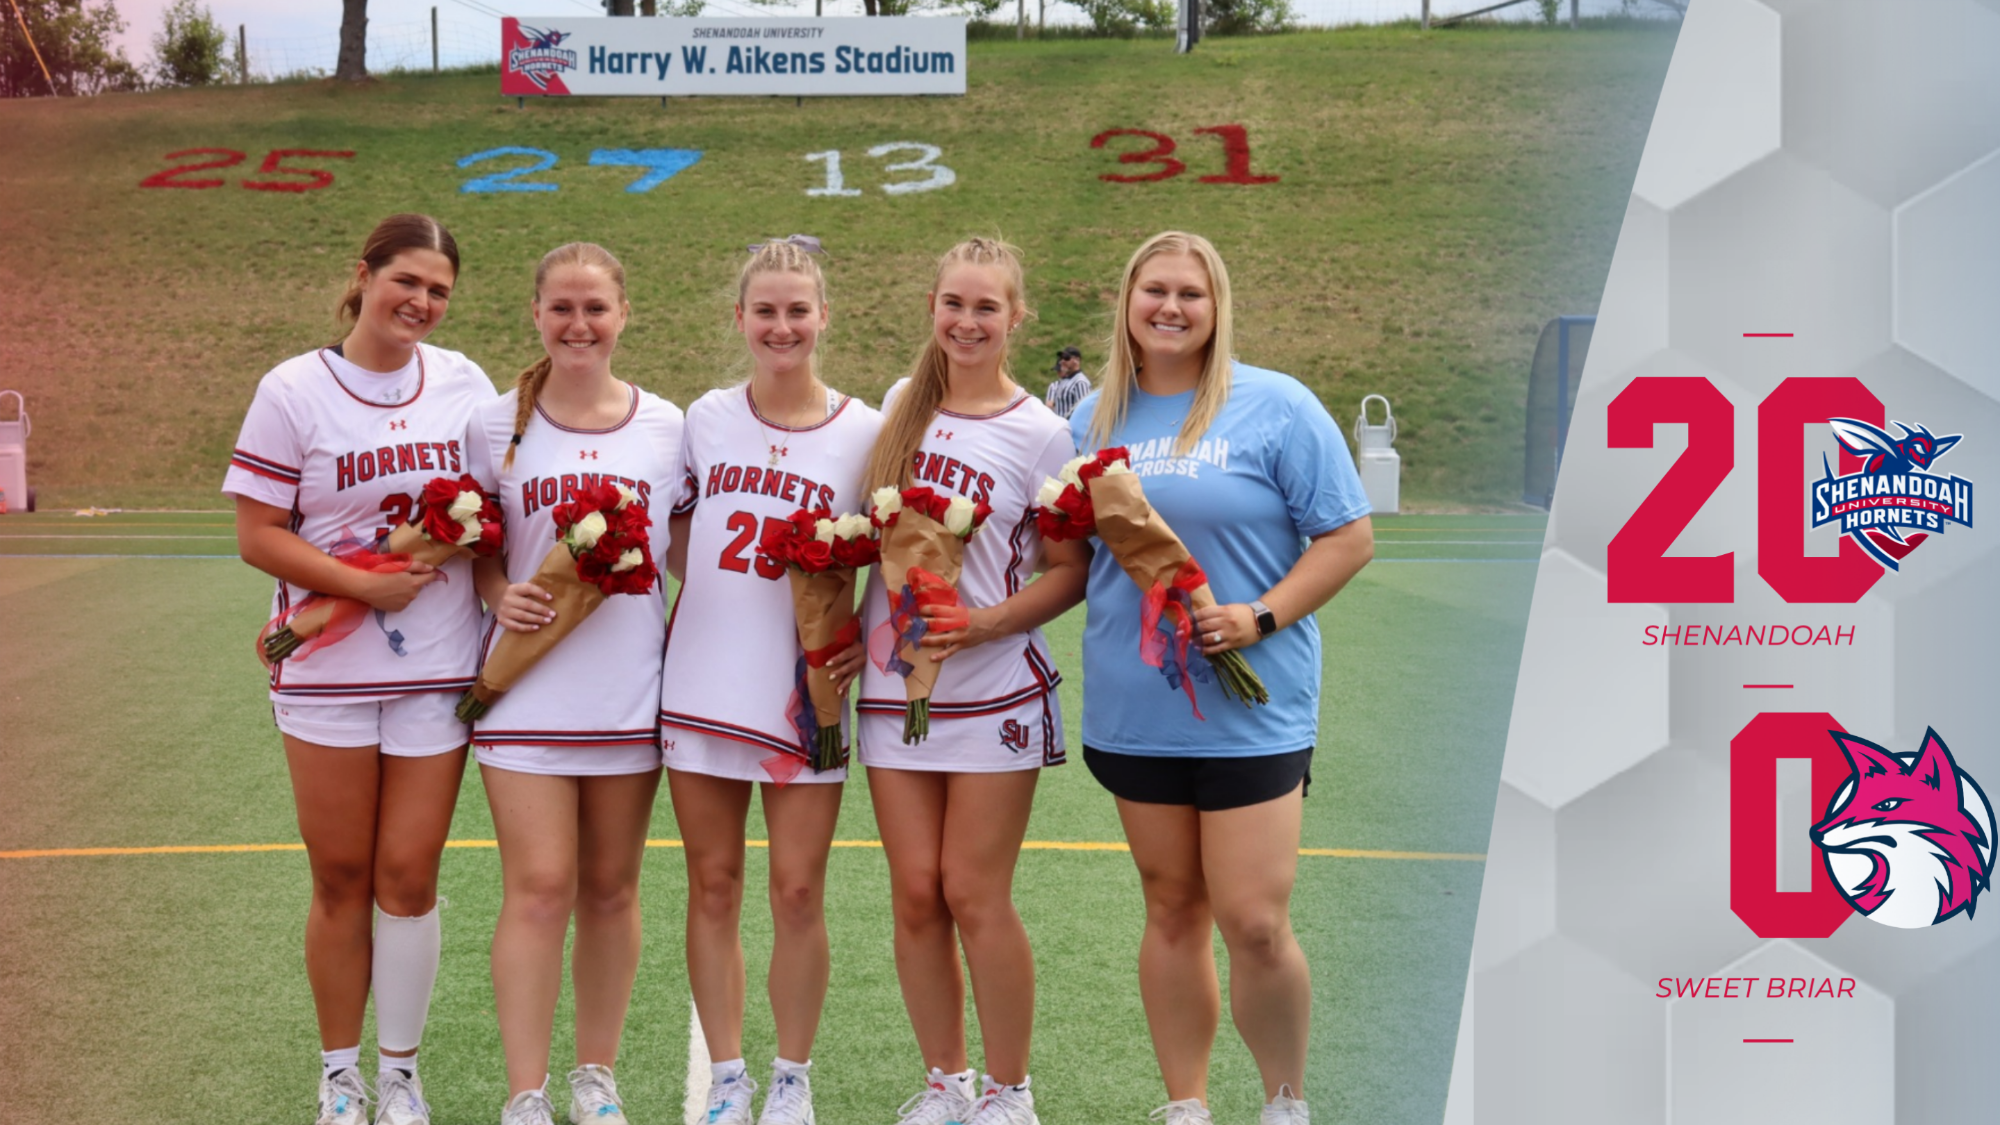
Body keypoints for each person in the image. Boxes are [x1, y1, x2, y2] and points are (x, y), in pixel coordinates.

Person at [1068, 231, 1373, 1125]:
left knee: (1253, 919)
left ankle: (1284, 1103)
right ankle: (1186, 1105)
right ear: (1127, 300)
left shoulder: (1274, 405)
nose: (1170, 307)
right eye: (1153, 289)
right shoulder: (1089, 416)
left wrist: (1259, 615)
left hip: (1255, 709)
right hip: (1136, 710)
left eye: (1189, 294)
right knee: (1169, 908)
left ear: (1216, 306)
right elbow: (1060, 550)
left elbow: (1348, 536)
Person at [224, 213, 496, 1125]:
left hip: (438, 667)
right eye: (406, 281)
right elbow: (257, 536)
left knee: (409, 875)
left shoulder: (463, 383)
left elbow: (489, 514)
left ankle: (400, 1074)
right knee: (341, 874)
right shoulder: (294, 388)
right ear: (365, 274)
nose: (420, 302)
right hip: (327, 672)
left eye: (438, 291)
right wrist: (358, 586)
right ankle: (339, 1076)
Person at [855, 236, 1088, 1125]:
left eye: (987, 306)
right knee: (915, 891)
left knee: (973, 890)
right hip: (897, 693)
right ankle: (945, 1082)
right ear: (932, 306)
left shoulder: (1041, 431)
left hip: (994, 690)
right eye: (954, 303)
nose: (968, 321)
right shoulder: (896, 410)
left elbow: (1070, 569)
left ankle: (1009, 1090)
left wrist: (980, 623)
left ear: (1016, 316)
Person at [657, 235, 881, 1125]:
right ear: (740, 319)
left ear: (824, 316)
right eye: (765, 310)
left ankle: (792, 1074)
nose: (782, 325)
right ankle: (728, 1074)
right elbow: (676, 537)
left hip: (804, 695)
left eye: (798, 310)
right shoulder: (702, 418)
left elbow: (886, 547)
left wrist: (855, 632)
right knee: (712, 883)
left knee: (797, 887)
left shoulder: (865, 431)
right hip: (705, 680)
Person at [464, 242, 684, 1125]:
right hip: (523, 694)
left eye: (595, 307)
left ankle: (596, 1078)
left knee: (610, 888)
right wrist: (496, 590)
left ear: (624, 314)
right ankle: (527, 1090)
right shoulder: (492, 423)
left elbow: (693, 560)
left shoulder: (668, 425)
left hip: (630, 692)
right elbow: (477, 547)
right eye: (561, 306)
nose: (578, 323)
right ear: (536, 313)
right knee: (540, 885)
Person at [1043, 345, 1091, 420]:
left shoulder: (1080, 382)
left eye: (1066, 358)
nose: (1062, 361)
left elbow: (1084, 411)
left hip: (1073, 429)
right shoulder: (1064, 381)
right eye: (1062, 358)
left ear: (1077, 360)